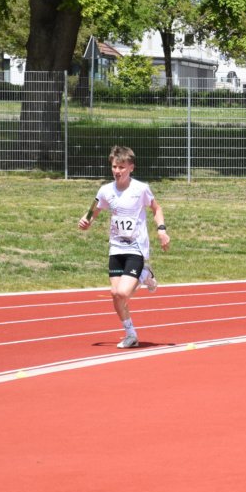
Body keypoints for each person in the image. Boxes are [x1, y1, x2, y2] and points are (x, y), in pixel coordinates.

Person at [78, 145, 170, 348]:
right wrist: (86, 221)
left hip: (135, 248)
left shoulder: (141, 189)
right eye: (114, 167)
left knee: (123, 293)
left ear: (131, 168)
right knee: (115, 294)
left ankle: (145, 273)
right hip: (116, 248)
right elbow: (93, 211)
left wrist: (161, 230)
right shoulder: (105, 191)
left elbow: (156, 208)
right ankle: (131, 334)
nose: (117, 171)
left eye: (121, 167)